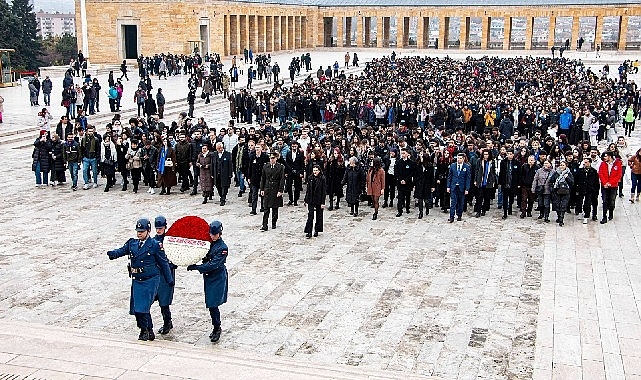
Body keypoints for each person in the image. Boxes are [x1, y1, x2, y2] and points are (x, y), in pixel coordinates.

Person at [107, 218, 174, 341]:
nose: (139, 233)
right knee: (137, 309)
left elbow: (163, 262)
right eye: (138, 231)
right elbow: (122, 250)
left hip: (150, 279)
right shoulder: (132, 243)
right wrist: (113, 254)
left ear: (148, 231)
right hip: (137, 280)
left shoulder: (154, 245)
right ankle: (146, 329)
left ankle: (145, 331)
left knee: (143, 307)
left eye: (142, 231)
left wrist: (169, 280)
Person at [187, 220, 228, 343]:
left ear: (220, 234)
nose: (212, 236)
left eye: (215, 234)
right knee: (210, 304)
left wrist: (197, 267)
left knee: (213, 303)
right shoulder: (208, 243)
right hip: (209, 277)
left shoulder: (223, 248)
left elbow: (212, 265)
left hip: (217, 278)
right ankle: (216, 326)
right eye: (211, 234)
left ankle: (217, 327)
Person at [153, 216, 177, 335]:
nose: (158, 231)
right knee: (155, 298)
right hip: (156, 274)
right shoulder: (153, 241)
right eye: (157, 228)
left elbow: (176, 257)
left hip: (166, 275)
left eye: (160, 228)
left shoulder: (170, 241)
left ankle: (167, 322)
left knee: (164, 301)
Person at [260, 151, 285, 231]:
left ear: (276, 158)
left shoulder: (280, 167)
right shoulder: (265, 166)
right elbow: (263, 178)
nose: (271, 160)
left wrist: (280, 190)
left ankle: (274, 223)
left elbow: (282, 179)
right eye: (270, 158)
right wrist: (262, 189)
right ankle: (264, 225)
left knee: (275, 208)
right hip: (267, 188)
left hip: (275, 188)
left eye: (273, 158)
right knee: (266, 208)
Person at [598, 151, 623, 224]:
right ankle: (604, 216)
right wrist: (605, 183)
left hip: (613, 186)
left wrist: (610, 183)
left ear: (610, 156)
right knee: (605, 200)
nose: (604, 158)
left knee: (612, 200)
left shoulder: (617, 164)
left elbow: (618, 175)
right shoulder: (603, 164)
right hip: (604, 185)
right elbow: (600, 173)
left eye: (606, 156)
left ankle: (611, 212)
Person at [447, 153, 471, 222]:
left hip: (462, 187)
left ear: (463, 159)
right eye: (458, 158)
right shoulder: (453, 166)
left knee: (461, 202)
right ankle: (451, 216)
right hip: (454, 186)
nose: (459, 160)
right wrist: (448, 186)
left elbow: (468, 179)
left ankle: (459, 215)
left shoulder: (466, 167)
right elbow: (449, 177)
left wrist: (467, 188)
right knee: (453, 201)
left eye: (460, 158)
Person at [574, 157, 600, 223]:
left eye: (586, 162)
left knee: (587, 203)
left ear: (590, 163)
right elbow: (576, 180)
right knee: (579, 202)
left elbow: (596, 182)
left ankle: (586, 216)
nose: (584, 164)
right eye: (584, 162)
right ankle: (580, 212)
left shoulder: (593, 171)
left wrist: (595, 190)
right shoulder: (580, 171)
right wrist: (576, 189)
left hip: (589, 190)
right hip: (581, 189)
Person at [304, 164, 327, 238]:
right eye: (314, 170)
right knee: (310, 216)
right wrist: (305, 200)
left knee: (318, 216)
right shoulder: (310, 178)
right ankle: (309, 231)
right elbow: (308, 190)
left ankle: (317, 230)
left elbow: (323, 191)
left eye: (316, 170)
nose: (315, 172)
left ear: (319, 171)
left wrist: (323, 202)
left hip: (319, 199)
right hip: (311, 199)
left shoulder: (322, 178)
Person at [549, 160, 574, 226]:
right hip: (557, 191)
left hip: (566, 191)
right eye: (561, 165)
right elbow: (551, 180)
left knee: (563, 205)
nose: (561, 166)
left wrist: (567, 177)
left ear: (566, 166)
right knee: (557, 205)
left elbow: (572, 182)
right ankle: (558, 216)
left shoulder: (569, 173)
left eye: (563, 165)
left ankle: (561, 219)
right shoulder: (556, 172)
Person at [473, 149, 497, 218]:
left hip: (488, 182)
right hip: (481, 181)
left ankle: (484, 210)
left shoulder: (492, 162)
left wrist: (493, 181)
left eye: (487, 154)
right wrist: (475, 180)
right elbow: (476, 171)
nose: (485, 156)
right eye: (484, 154)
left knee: (487, 198)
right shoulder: (479, 161)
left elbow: (493, 172)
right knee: (479, 197)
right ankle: (478, 211)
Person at [414, 152, 435, 219]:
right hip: (419, 184)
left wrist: (432, 186)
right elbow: (415, 175)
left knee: (426, 199)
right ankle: (420, 212)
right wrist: (414, 184)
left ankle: (427, 208)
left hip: (427, 185)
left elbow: (432, 177)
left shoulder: (430, 166)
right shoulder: (418, 165)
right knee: (419, 199)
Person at [395, 148, 415, 217]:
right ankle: (399, 210)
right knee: (400, 197)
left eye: (404, 153)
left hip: (408, 183)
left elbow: (412, 173)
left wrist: (406, 180)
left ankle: (407, 207)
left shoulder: (411, 163)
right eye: (402, 153)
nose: (403, 155)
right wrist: (400, 180)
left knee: (407, 196)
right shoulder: (398, 162)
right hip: (400, 182)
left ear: (407, 154)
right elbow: (396, 172)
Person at [285, 140, 305, 206]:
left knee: (297, 187)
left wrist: (301, 172)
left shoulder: (301, 153)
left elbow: (302, 164)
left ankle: (296, 200)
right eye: (292, 146)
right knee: (288, 186)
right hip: (290, 172)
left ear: (297, 146)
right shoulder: (288, 153)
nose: (294, 147)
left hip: (298, 172)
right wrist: (286, 172)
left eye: (295, 145)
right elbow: (286, 163)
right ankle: (291, 199)